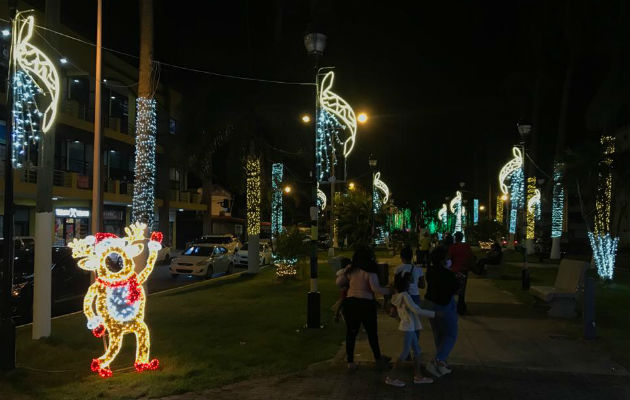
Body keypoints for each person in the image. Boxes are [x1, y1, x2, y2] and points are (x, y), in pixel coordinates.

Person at [336, 246, 391, 370]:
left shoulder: (351, 270)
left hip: (351, 303)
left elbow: (339, 282)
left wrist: (346, 272)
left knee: (351, 332)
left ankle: (350, 361)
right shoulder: (370, 272)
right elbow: (375, 289)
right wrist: (388, 291)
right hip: (366, 304)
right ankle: (378, 358)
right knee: (372, 333)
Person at [385, 272, 436, 387]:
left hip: (409, 326)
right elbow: (416, 310)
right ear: (405, 284)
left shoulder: (397, 296)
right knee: (405, 352)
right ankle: (391, 377)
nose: (411, 284)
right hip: (408, 327)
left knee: (417, 350)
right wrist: (435, 314)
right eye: (409, 282)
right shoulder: (405, 295)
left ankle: (418, 376)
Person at [424, 246, 459, 378]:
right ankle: (437, 360)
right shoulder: (447, 274)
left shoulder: (431, 271)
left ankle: (441, 363)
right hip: (443, 305)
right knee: (451, 334)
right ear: (443, 258)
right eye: (448, 256)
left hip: (430, 304)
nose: (449, 259)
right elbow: (454, 289)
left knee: (438, 334)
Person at [447, 231, 474, 315]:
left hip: (454, 270)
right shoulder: (466, 246)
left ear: (455, 238)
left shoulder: (453, 247)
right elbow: (470, 256)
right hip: (463, 270)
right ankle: (461, 307)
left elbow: (449, 257)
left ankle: (451, 306)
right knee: (462, 290)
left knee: (451, 288)